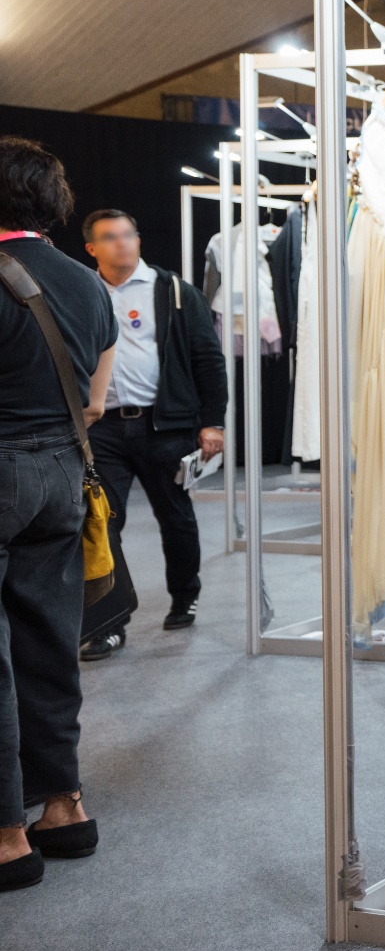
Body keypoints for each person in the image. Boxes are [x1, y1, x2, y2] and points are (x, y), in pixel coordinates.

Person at [0, 137, 117, 892]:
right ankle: (63, 805)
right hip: (63, 474)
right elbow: (98, 400)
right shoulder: (87, 282)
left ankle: (9, 836)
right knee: (50, 641)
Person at [77, 210, 226, 657]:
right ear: (92, 249)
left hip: (165, 426)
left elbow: (208, 359)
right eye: (109, 237)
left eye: (128, 234)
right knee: (104, 524)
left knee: (174, 517)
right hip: (101, 430)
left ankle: (185, 595)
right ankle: (109, 622)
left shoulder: (174, 290)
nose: (122, 243)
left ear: (138, 239)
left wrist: (212, 422)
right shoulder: (82, 291)